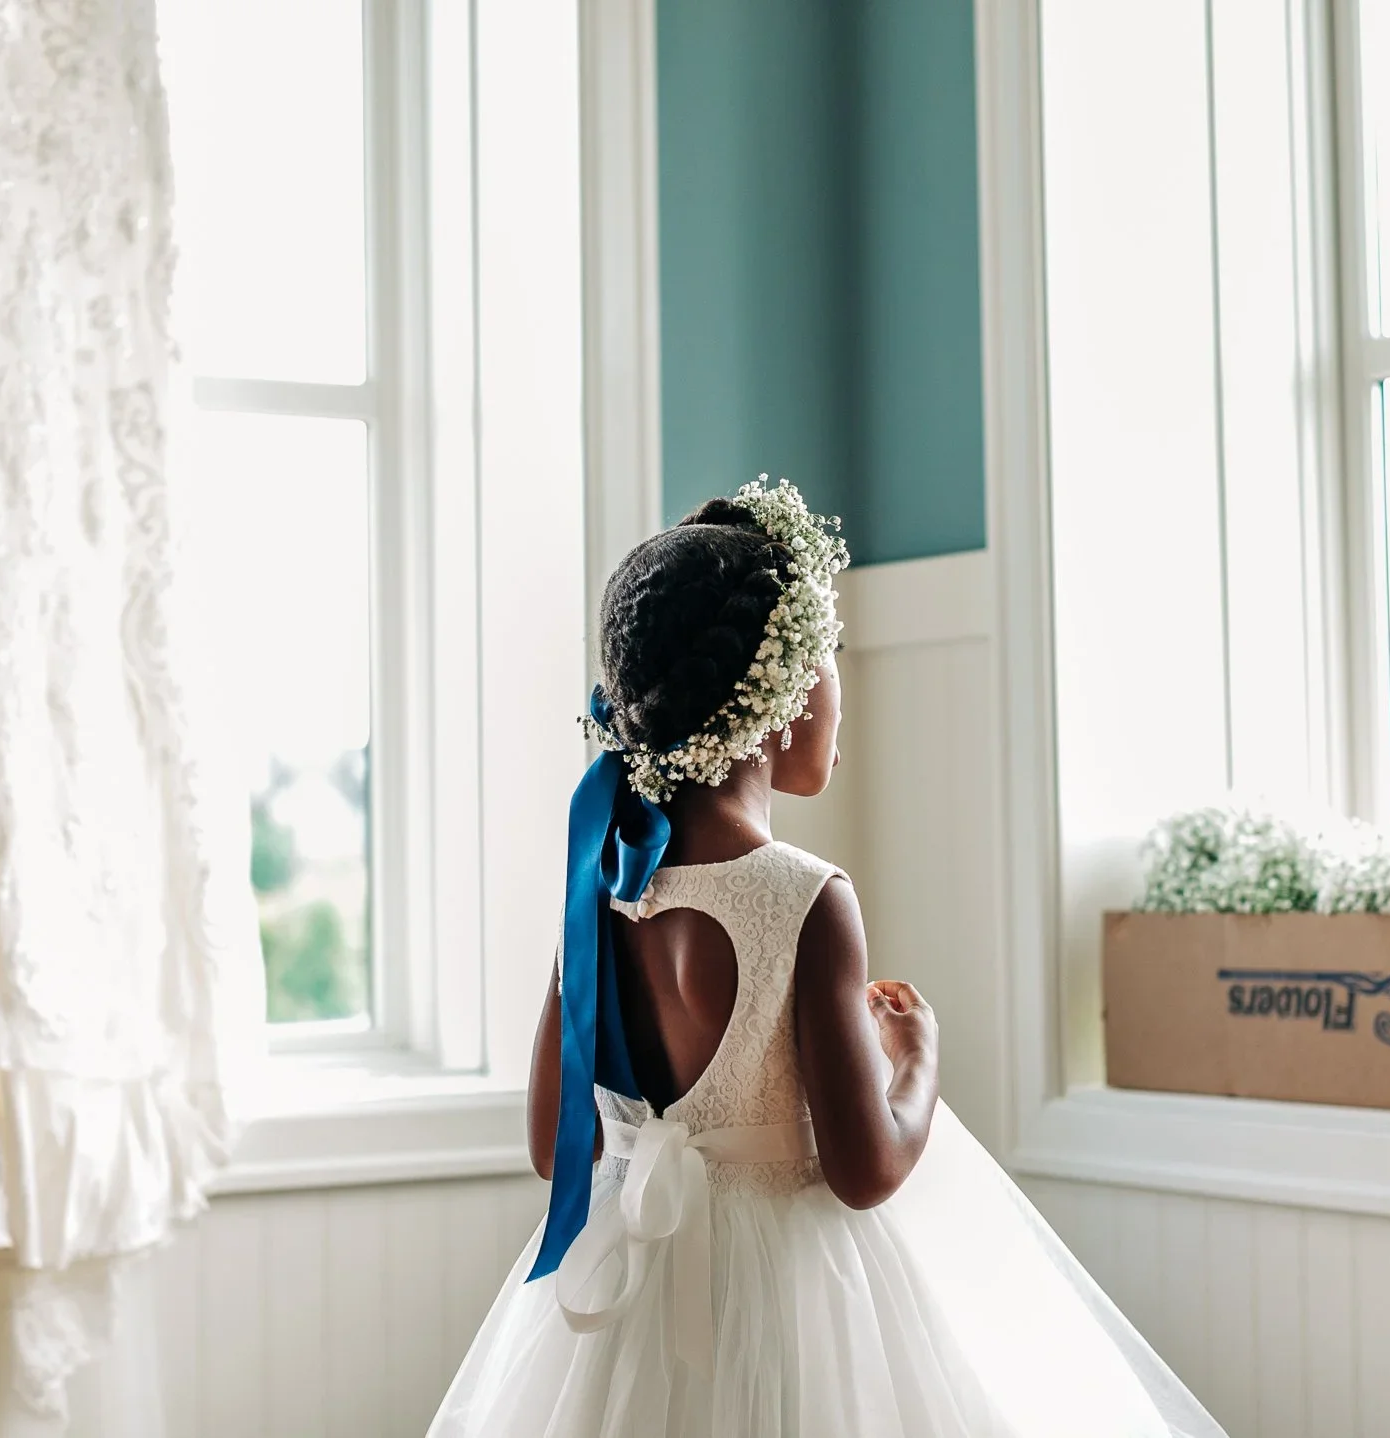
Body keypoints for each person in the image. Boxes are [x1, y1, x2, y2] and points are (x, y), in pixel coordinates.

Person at [430, 480, 1224, 1437]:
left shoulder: (596, 884)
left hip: (626, 1310)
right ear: (782, 695)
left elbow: (555, 1148)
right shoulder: (804, 898)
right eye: (828, 661)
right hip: (788, 1301)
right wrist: (919, 1055)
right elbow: (866, 1169)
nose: (838, 693)